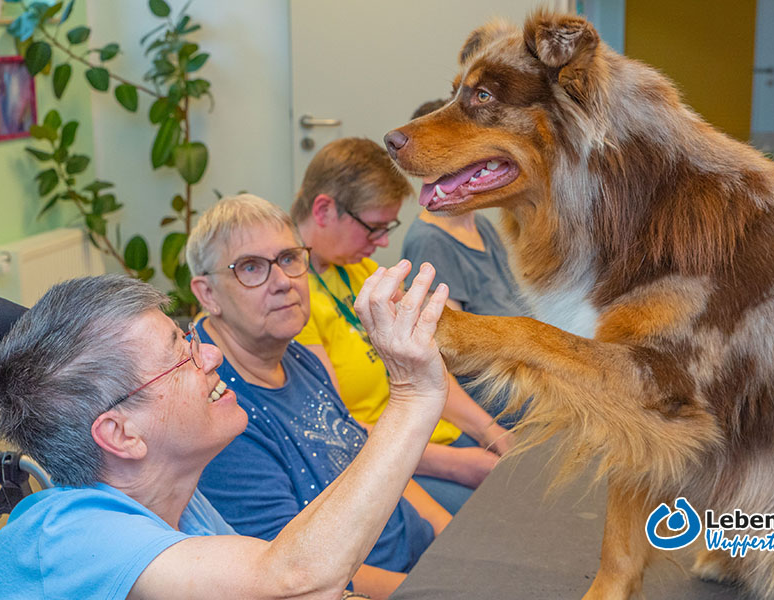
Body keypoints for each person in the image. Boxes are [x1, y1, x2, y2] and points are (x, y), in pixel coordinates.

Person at [0, 260, 451, 599]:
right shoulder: (71, 536)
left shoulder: (180, 503)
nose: (213, 356)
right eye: (182, 356)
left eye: (188, 337)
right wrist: (413, 392)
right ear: (121, 434)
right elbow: (294, 579)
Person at [185, 194, 450, 599]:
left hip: (417, 556)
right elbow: (299, 578)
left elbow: (367, 457)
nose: (283, 282)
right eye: (251, 268)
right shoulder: (218, 408)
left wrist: (448, 535)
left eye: (290, 259)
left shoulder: (296, 355)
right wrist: (443, 588)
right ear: (207, 294)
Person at [291, 137, 512, 514]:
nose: (383, 242)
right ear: (324, 210)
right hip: (381, 456)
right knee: (495, 514)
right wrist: (461, 464)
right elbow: (339, 427)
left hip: (429, 433)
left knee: (523, 479)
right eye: (374, 228)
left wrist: (492, 433)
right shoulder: (292, 296)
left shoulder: (357, 268)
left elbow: (426, 368)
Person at [402, 100, 531, 425]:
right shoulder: (430, 242)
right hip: (494, 383)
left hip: (518, 356)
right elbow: (451, 351)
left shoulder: (482, 225)